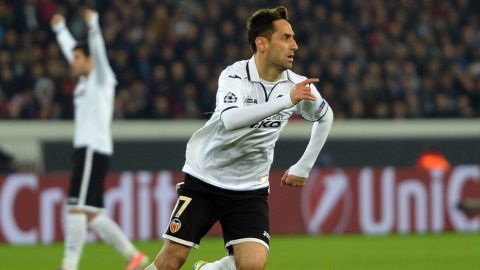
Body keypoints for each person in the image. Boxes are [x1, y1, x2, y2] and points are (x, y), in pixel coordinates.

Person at [145, 6, 333, 270]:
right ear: (262, 43)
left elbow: (326, 117)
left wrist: (304, 166)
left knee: (253, 265)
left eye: (293, 37)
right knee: (171, 261)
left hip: (249, 188)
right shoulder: (235, 76)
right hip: (206, 178)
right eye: (286, 37)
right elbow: (231, 120)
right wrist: (285, 101)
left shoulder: (296, 84)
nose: (295, 45)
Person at [51, 9, 148, 270]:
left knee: (76, 207)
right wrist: (60, 30)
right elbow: (75, 49)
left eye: (78, 58)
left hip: (92, 149)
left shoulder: (101, 78)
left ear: (90, 60)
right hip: (91, 149)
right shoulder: (85, 80)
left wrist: (93, 24)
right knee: (92, 214)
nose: (72, 62)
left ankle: (68, 266)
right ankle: (134, 257)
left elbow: (97, 51)